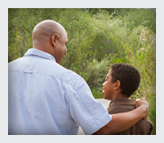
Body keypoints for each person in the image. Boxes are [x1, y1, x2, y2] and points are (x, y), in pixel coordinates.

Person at [8, 20, 149, 135]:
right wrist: (141, 111)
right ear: (54, 40)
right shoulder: (68, 80)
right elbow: (103, 127)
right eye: (65, 44)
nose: (66, 51)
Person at [103, 63, 153, 135]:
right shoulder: (146, 120)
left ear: (116, 85)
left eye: (106, 79)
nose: (103, 84)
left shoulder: (104, 118)